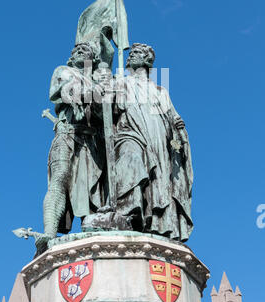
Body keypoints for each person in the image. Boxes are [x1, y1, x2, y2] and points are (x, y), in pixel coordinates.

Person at [113, 43, 193, 241]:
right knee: (130, 159)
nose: (131, 56)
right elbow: (104, 110)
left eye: (137, 53)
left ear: (148, 61)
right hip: (129, 131)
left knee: (159, 179)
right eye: (130, 53)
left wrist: (179, 130)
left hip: (157, 135)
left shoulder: (159, 90)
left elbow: (173, 116)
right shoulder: (118, 83)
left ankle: (157, 222)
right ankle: (128, 212)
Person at [42, 42, 106, 242]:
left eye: (85, 50)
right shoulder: (64, 71)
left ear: (93, 59)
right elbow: (56, 93)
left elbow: (104, 112)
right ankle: (48, 233)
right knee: (60, 177)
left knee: (91, 187)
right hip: (66, 132)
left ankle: (92, 228)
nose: (78, 51)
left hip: (91, 140)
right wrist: (82, 91)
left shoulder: (97, 83)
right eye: (76, 50)